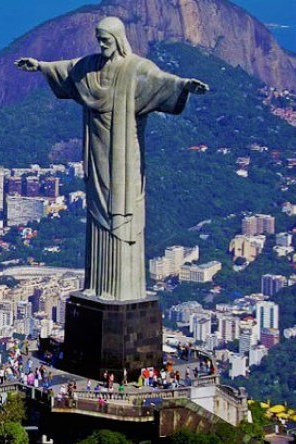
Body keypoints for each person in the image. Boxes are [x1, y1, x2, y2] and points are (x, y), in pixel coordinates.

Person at [15, 16, 208, 301]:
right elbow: (67, 69)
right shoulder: (89, 67)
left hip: (124, 153)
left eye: (106, 39)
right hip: (97, 152)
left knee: (123, 207)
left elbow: (160, 81)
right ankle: (99, 287)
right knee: (98, 213)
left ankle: (123, 289)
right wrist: (40, 67)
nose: (102, 44)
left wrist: (184, 85)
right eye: (99, 39)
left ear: (118, 39)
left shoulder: (135, 68)